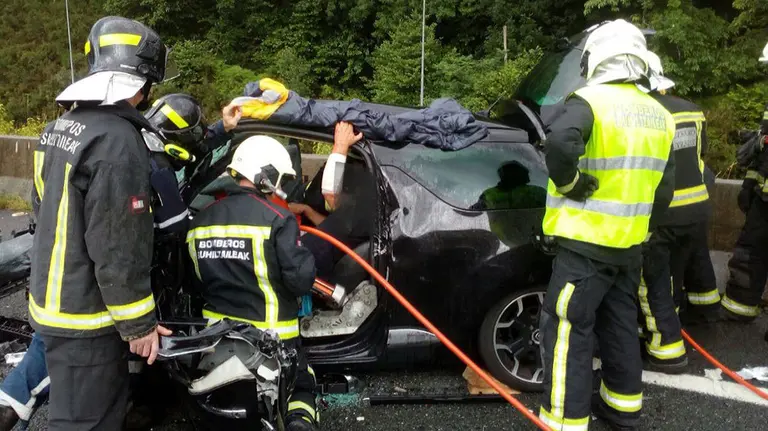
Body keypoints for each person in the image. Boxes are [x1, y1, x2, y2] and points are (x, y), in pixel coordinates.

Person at [0, 92, 241, 430]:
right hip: (92, 296)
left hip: (60, 284)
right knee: (65, 380)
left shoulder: (107, 139)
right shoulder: (140, 162)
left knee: (46, 357)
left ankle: (13, 402)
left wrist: (222, 128)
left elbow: (190, 147)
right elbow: (163, 233)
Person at [28, 16, 172, 430]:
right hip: (87, 319)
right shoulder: (117, 142)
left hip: (54, 302)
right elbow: (118, 245)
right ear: (142, 83)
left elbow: (45, 207)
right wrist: (140, 325)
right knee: (86, 422)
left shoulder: (58, 129)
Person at [538, 19, 675, 431]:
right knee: (618, 326)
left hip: (585, 247)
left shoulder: (590, 100)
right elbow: (662, 189)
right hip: (629, 247)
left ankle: (565, 421)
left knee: (566, 329)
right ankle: (622, 409)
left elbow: (560, 142)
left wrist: (572, 183)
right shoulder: (659, 113)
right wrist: (644, 229)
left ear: (596, 57)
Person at [186, 136, 319, 431]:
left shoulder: (199, 222)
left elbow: (196, 282)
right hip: (271, 340)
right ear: (265, 174)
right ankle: (299, 422)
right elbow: (299, 281)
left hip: (216, 340)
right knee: (303, 381)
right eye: (280, 177)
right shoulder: (278, 218)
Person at [636, 51, 717, 373]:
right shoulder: (692, 110)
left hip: (664, 212)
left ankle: (666, 351)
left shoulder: (646, 115)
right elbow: (702, 154)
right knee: (677, 274)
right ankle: (680, 320)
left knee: (653, 281)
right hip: (696, 207)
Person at [722, 41, 768, 322]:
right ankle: (740, 309)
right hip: (763, 202)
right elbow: (764, 154)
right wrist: (749, 184)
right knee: (750, 252)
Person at [288, 122, 371, 279]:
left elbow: (331, 193)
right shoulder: (351, 217)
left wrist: (340, 148)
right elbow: (335, 224)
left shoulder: (359, 217)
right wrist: (307, 210)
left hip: (306, 270)